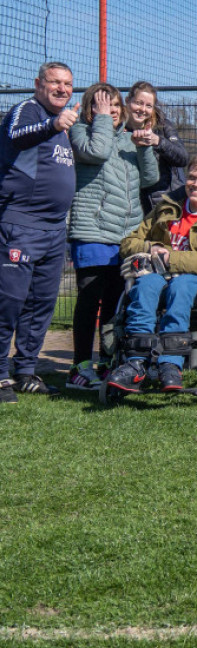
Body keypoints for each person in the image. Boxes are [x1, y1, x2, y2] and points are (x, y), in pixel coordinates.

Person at [105, 154, 197, 392]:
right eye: (192, 177)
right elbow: (129, 242)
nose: (196, 184)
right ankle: (136, 362)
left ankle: (171, 364)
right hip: (159, 275)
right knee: (146, 284)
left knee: (181, 287)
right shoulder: (167, 207)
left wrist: (172, 258)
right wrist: (151, 248)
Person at [66, 82, 160, 391]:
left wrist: (144, 146)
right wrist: (102, 119)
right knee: (89, 300)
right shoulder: (81, 132)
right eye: (101, 105)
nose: (110, 111)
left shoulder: (128, 139)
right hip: (93, 230)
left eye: (114, 105)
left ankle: (107, 363)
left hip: (125, 235)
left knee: (114, 303)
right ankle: (80, 367)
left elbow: (150, 178)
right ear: (89, 109)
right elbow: (98, 151)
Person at [0, 62, 77, 403]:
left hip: (52, 230)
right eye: (55, 82)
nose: (62, 88)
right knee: (8, 303)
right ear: (38, 83)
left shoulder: (62, 126)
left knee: (40, 304)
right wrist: (51, 124)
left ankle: (26, 371)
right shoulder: (27, 111)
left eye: (68, 84)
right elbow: (16, 136)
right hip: (21, 224)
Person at [126, 81, 190, 214]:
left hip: (166, 202)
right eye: (138, 103)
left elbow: (183, 158)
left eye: (148, 106)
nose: (142, 109)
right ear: (127, 101)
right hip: (133, 205)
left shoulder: (163, 126)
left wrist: (159, 142)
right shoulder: (119, 129)